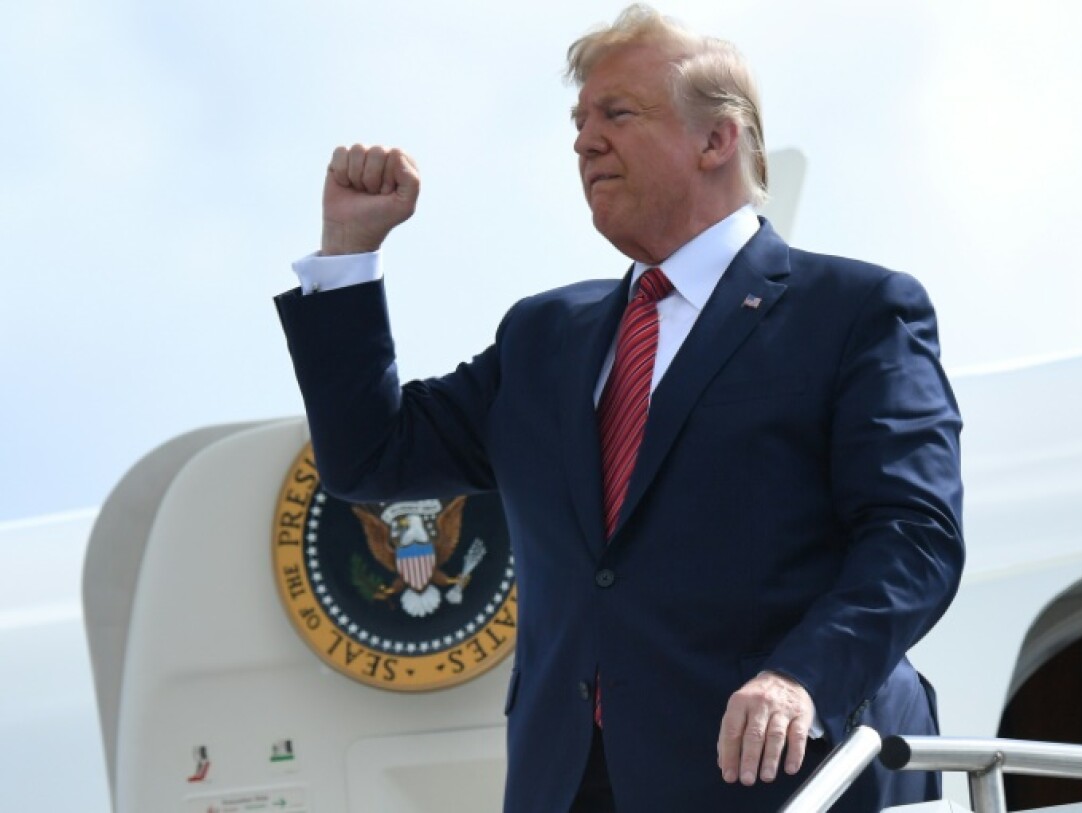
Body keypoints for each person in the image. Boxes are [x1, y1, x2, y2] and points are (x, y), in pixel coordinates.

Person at [276, 5, 964, 812]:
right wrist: (348, 253)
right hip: (573, 785)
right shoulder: (544, 336)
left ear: (718, 140)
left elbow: (914, 538)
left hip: (782, 777)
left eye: (618, 113)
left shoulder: (853, 312)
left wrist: (801, 676)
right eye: (578, 120)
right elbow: (371, 461)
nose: (584, 139)